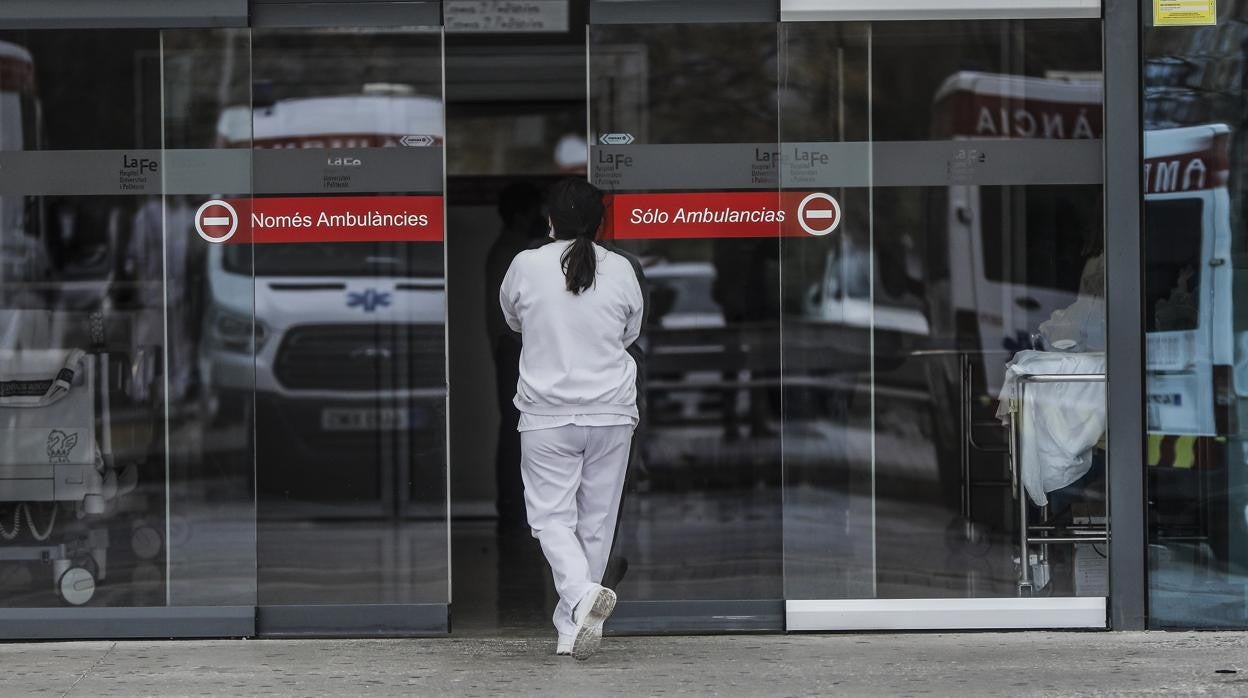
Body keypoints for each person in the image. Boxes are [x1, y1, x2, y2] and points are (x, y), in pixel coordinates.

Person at [499, 178, 643, 660]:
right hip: (610, 411)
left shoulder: (525, 264)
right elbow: (630, 332)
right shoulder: (621, 268)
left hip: (547, 415)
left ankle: (581, 599)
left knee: (550, 519)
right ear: (601, 223)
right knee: (596, 523)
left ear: (550, 222)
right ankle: (572, 626)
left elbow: (513, 320)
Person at [485, 182, 548, 530]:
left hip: (511, 349)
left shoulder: (509, 251)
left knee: (514, 429)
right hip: (514, 350)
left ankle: (513, 506)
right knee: (516, 430)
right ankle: (513, 507)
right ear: (524, 213)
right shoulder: (515, 254)